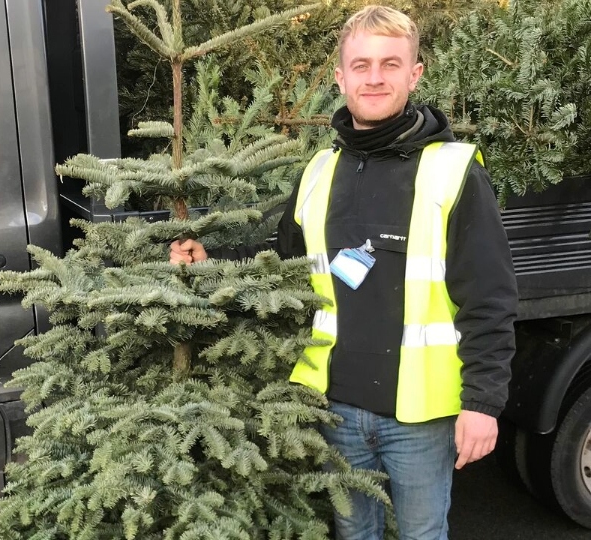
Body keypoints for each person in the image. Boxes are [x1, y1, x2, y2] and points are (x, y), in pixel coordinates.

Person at [170, 6, 516, 539]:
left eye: (389, 64)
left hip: (420, 420)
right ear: (341, 77)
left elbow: (490, 296)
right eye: (361, 65)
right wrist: (212, 261)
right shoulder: (321, 169)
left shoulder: (452, 171)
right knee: (355, 536)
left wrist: (483, 403)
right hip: (337, 407)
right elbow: (282, 261)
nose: (374, 77)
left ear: (414, 74)